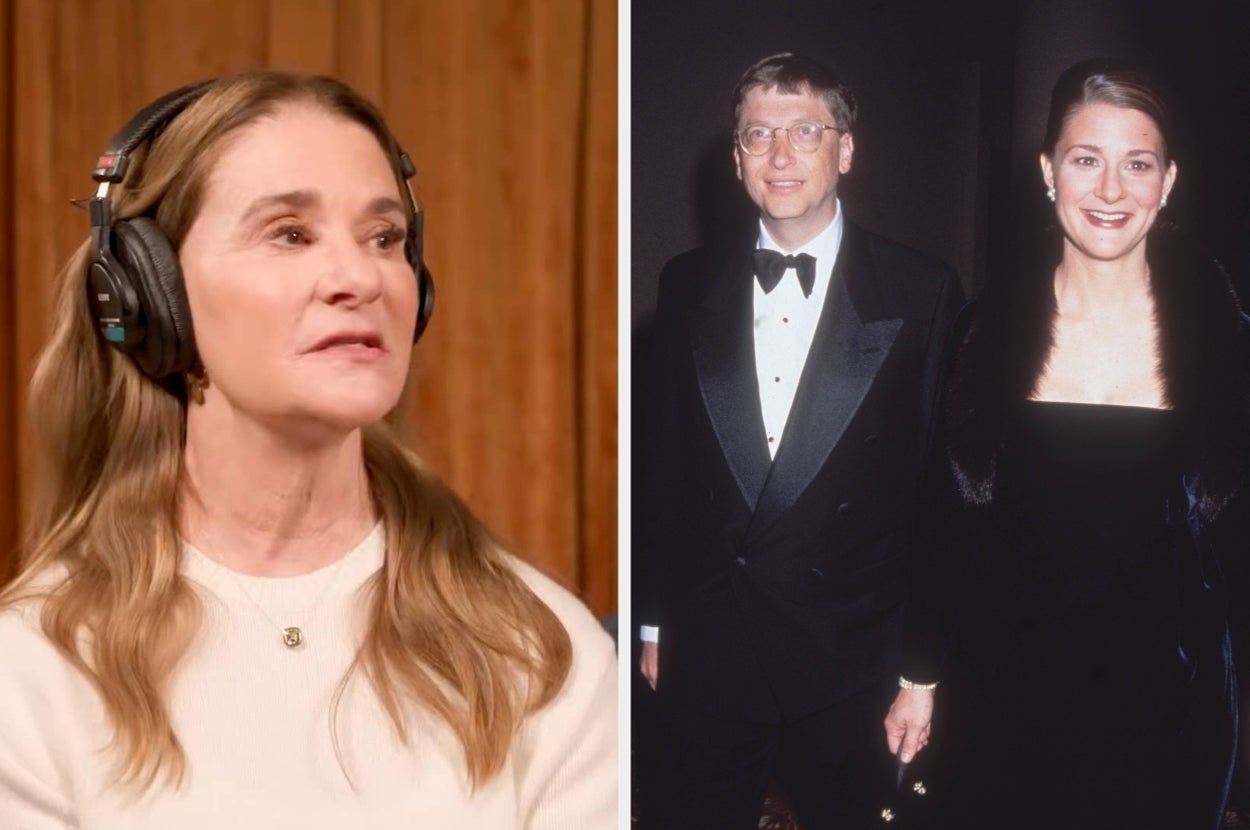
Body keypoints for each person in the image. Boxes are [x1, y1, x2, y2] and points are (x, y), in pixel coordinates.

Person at [0, 70, 616, 829]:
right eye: (289, 233)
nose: (359, 277)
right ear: (145, 292)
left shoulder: (542, 651)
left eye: (384, 238)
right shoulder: (31, 672)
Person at [884, 58, 1249, 828]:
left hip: (1171, 711)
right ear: (1049, 172)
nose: (1111, 191)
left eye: (1137, 164)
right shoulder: (982, 332)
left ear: (1169, 180)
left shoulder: (1229, 346)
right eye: (1087, 159)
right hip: (1005, 699)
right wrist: (919, 677)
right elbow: (943, 520)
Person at [636, 52, 962, 828]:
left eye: (804, 131)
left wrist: (923, 670)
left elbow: (940, 494)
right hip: (713, 645)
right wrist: (652, 620)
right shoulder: (684, 283)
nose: (780, 156)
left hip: (853, 656)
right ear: (737, 156)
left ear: (845, 150)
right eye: (758, 135)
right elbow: (663, 468)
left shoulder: (924, 291)